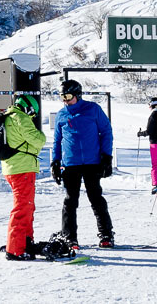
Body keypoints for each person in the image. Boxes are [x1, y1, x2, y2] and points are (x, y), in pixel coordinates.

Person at [50, 80, 115, 248]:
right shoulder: (61, 115)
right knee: (70, 200)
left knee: (95, 198)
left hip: (92, 162)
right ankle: (69, 237)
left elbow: (106, 131)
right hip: (70, 164)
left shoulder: (92, 109)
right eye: (62, 96)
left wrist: (107, 156)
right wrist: (55, 162)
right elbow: (57, 141)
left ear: (77, 95)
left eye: (68, 96)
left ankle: (106, 234)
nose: (65, 100)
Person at [0, 96, 46, 260]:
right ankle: (15, 249)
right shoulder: (21, 118)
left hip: (12, 167)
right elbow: (38, 140)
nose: (32, 117)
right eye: (33, 113)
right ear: (28, 108)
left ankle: (24, 241)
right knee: (22, 208)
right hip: (22, 169)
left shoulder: (8, 117)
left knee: (26, 206)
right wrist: (40, 136)